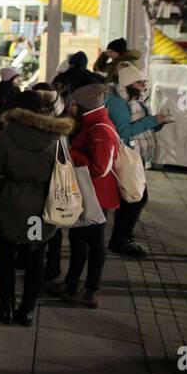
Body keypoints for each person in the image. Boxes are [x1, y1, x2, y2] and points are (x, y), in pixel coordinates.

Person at [0, 89, 74, 326]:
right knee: (35, 257)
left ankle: (6, 307)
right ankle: (27, 310)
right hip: (40, 207)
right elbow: (64, 171)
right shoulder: (56, 138)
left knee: (5, 256)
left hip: (11, 204)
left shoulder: (7, 135)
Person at [105, 64, 171, 258]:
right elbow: (124, 133)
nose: (143, 85)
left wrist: (157, 124)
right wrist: (154, 121)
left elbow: (142, 127)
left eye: (144, 81)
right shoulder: (118, 103)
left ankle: (123, 238)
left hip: (136, 156)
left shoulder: (135, 100)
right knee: (135, 198)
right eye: (139, 82)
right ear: (127, 84)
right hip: (127, 156)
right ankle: (120, 240)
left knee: (133, 198)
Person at [65, 84, 120, 309]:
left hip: (95, 195)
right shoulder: (92, 125)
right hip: (88, 192)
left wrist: (73, 153)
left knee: (93, 243)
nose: (70, 107)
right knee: (78, 240)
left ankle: (90, 291)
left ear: (83, 106)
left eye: (73, 104)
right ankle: (72, 284)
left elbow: (100, 167)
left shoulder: (101, 129)